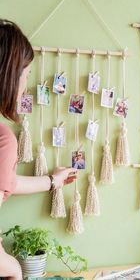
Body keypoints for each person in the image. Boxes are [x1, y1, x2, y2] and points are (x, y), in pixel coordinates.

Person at [0, 19, 77, 280]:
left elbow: (5, 182)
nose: (26, 84)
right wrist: (12, 268)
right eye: (26, 74)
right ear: (9, 75)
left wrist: (52, 181)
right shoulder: (3, 139)